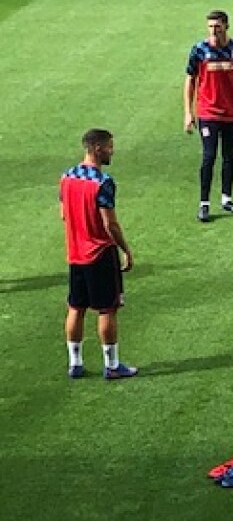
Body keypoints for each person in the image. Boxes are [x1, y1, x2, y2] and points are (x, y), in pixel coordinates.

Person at [60, 129, 137, 380]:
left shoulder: (67, 177)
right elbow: (110, 224)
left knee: (76, 306)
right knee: (107, 309)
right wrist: (125, 249)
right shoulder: (102, 182)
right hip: (99, 253)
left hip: (75, 254)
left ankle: (75, 363)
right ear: (96, 148)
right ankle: (112, 365)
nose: (112, 151)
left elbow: (63, 214)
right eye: (109, 146)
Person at [184, 10, 233, 223]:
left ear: (226, 26)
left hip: (232, 114)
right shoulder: (199, 50)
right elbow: (190, 81)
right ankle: (204, 203)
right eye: (210, 26)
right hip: (208, 113)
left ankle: (227, 198)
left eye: (217, 26)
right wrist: (188, 112)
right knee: (209, 156)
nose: (213, 30)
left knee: (229, 157)